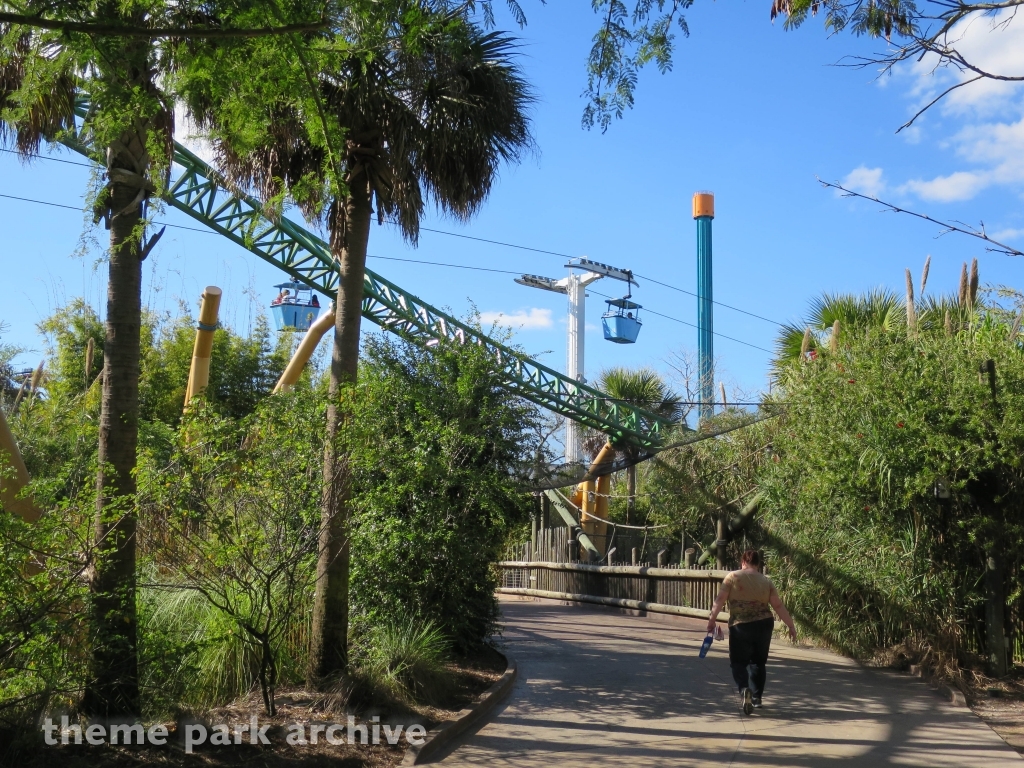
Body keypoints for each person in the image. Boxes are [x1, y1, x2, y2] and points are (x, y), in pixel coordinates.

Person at [706, 549, 797, 715]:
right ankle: (757, 698)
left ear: (743, 562)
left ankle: (744, 689)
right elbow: (777, 605)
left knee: (738, 662)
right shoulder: (766, 581)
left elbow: (720, 600)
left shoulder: (732, 577)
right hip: (764, 624)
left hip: (741, 625)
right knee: (758, 662)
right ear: (758, 564)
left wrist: (712, 620)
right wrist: (790, 625)